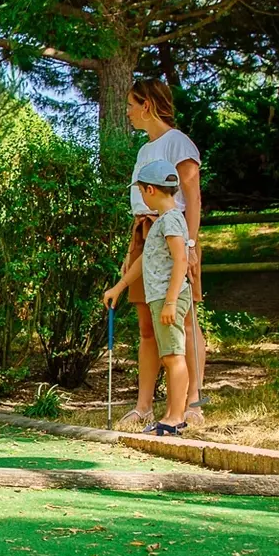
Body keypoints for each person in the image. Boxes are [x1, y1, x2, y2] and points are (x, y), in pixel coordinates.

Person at [116, 81, 207, 430]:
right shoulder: (144, 151)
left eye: (130, 104)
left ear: (148, 106)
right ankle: (143, 406)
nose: (127, 111)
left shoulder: (178, 142)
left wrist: (190, 243)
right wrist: (130, 252)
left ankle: (192, 401)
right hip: (144, 236)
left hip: (174, 235)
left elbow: (192, 197)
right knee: (147, 325)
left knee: (182, 318)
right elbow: (139, 205)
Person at [103, 162, 193, 436]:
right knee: (168, 356)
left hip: (169, 297)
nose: (141, 196)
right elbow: (145, 260)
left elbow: (181, 260)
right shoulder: (162, 222)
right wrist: (118, 287)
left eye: (141, 191)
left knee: (173, 357)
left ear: (150, 189)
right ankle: (170, 415)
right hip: (160, 297)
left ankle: (175, 418)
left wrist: (169, 301)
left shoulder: (172, 220)